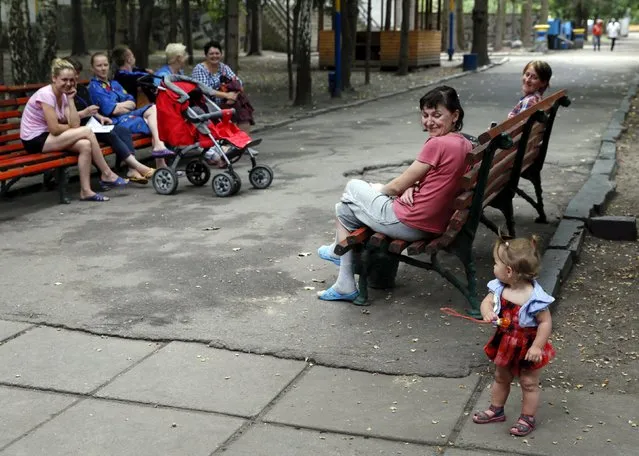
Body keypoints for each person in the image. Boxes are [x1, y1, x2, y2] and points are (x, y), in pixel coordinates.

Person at [316, 86, 472, 302]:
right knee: (343, 208)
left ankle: (338, 257)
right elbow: (433, 179)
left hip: (410, 223)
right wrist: (409, 188)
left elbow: (396, 186)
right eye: (425, 115)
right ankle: (344, 280)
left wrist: (382, 191)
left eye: (437, 115)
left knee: (353, 187)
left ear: (455, 115)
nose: (429, 121)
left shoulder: (437, 144)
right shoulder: (464, 143)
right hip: (436, 221)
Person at [472, 235, 555, 437]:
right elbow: (486, 303)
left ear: (508, 271)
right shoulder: (499, 288)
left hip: (528, 346)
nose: (493, 267)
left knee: (528, 382)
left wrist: (537, 346)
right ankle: (496, 409)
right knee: (501, 376)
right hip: (505, 342)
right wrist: (487, 312)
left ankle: (527, 417)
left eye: (495, 263)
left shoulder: (535, 298)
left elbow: (545, 322)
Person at [19, 58, 128, 202]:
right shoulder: (46, 95)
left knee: (85, 145)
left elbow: (74, 124)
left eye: (71, 80)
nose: (69, 83)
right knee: (87, 132)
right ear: (54, 78)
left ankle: (86, 191)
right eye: (64, 79)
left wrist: (70, 100)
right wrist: (72, 127)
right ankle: (107, 173)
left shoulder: (64, 94)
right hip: (34, 139)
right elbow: (55, 129)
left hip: (48, 136)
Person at [64, 57, 154, 184]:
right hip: (80, 128)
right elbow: (67, 117)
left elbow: (92, 111)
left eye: (77, 73)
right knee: (111, 134)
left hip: (93, 124)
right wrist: (85, 113)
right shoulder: (63, 93)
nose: (75, 76)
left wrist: (101, 117)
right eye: (72, 73)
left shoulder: (81, 89)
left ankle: (132, 169)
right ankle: (139, 167)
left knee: (122, 130)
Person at [88, 51, 173, 170]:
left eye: (105, 65)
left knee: (153, 108)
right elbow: (112, 110)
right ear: (92, 68)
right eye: (99, 65)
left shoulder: (115, 83)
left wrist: (122, 105)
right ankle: (161, 163)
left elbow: (132, 102)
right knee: (156, 123)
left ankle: (159, 147)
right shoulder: (94, 87)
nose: (103, 68)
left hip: (128, 115)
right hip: (115, 122)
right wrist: (123, 105)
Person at [191, 40, 254, 133]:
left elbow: (237, 81)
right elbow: (205, 90)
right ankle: (237, 139)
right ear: (206, 55)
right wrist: (226, 95)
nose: (214, 56)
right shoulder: (200, 69)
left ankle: (244, 141)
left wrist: (233, 95)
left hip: (226, 102)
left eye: (217, 53)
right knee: (239, 106)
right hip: (208, 105)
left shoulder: (223, 67)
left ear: (221, 54)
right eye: (211, 54)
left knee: (241, 102)